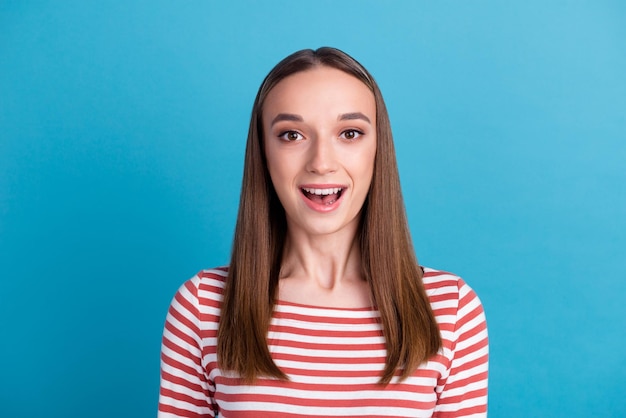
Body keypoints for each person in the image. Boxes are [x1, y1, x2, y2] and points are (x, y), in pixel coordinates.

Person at [158, 47, 488, 418]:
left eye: (349, 133)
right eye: (292, 135)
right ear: (263, 152)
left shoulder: (450, 308)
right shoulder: (203, 306)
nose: (321, 163)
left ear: (378, 149)